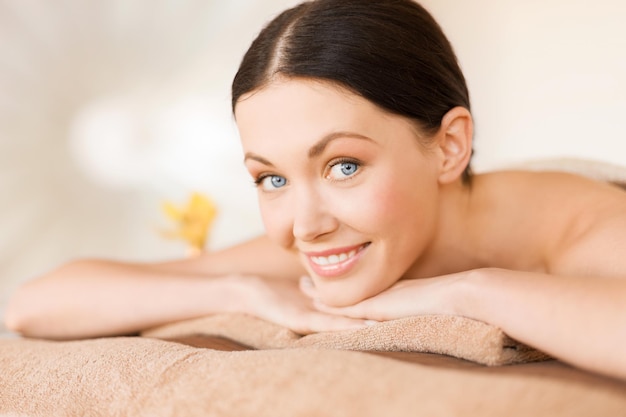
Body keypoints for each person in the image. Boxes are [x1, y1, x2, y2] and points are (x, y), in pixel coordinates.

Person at [5, 0, 626, 381]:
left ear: (450, 145)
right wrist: (240, 288)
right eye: (270, 178)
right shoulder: (328, 232)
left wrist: (469, 291)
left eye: (343, 166)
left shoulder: (581, 222)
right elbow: (34, 303)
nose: (303, 226)